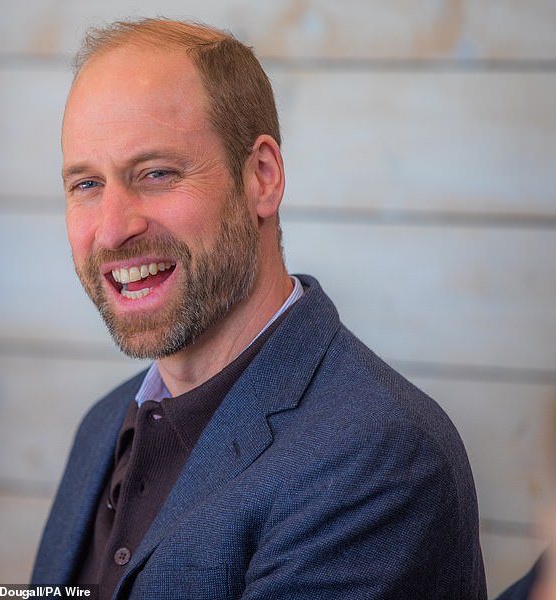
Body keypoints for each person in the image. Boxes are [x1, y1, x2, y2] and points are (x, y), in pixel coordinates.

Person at [31, 17, 487, 599]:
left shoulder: (378, 460)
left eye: (157, 173)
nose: (114, 230)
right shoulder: (103, 425)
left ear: (262, 179)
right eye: (87, 185)